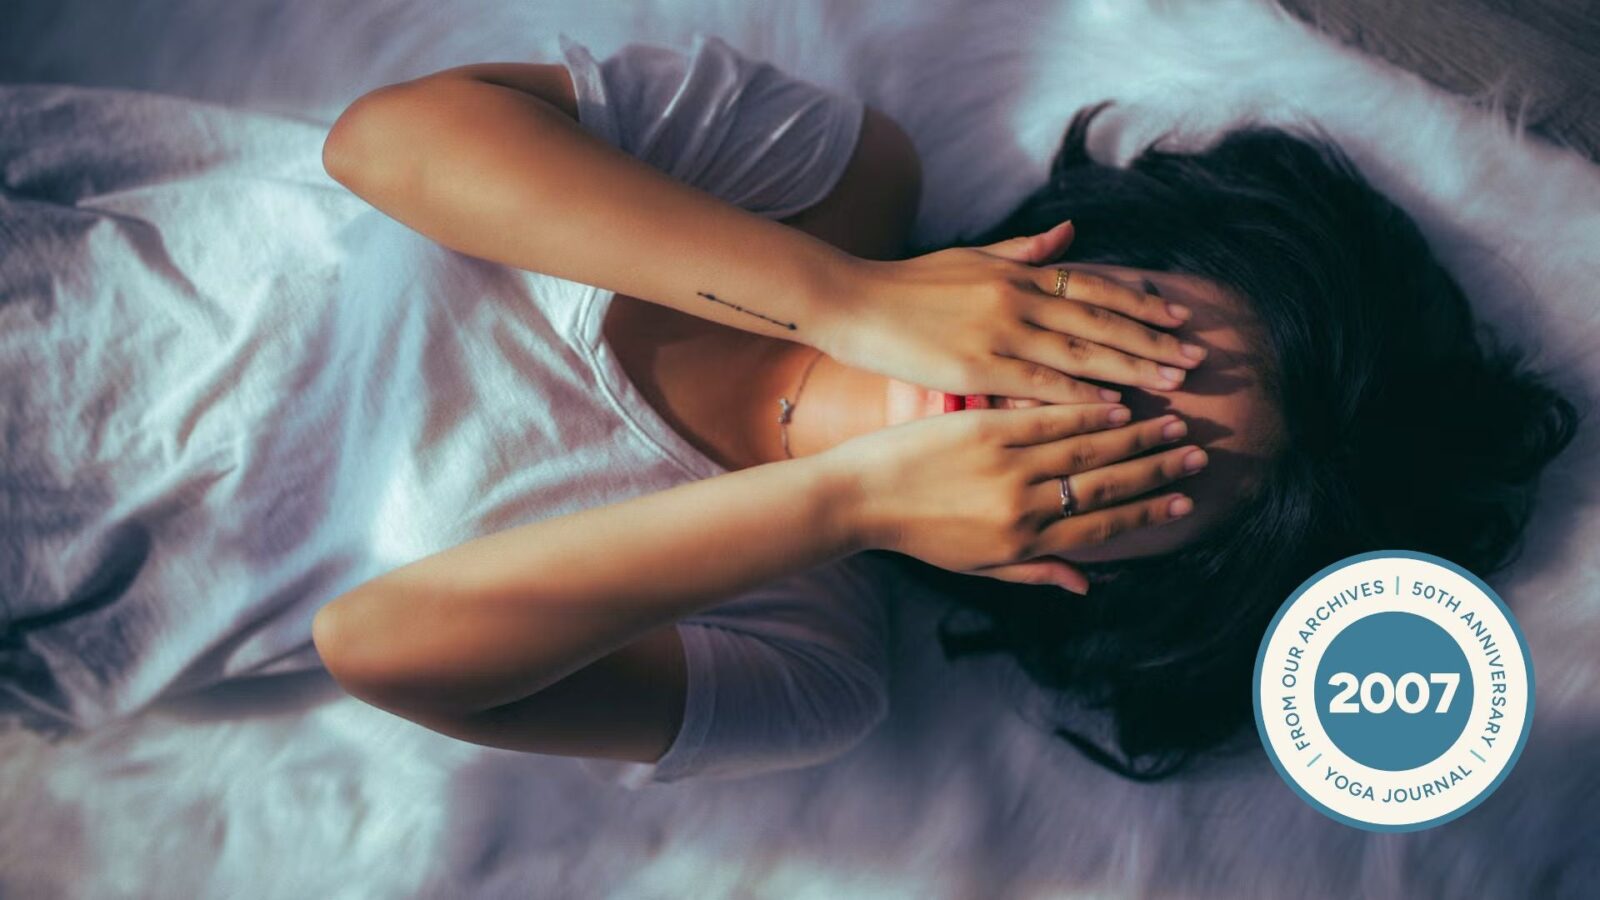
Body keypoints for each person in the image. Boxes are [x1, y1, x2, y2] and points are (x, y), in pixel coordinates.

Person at [308, 33, 1577, 784]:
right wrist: (842, 297)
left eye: (1129, 460)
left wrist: (846, 497)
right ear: (1096, 246)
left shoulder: (811, 675)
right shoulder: (830, 174)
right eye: (1123, 332)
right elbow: (386, 142)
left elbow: (376, 646)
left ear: (1095, 581)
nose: (1061, 395)